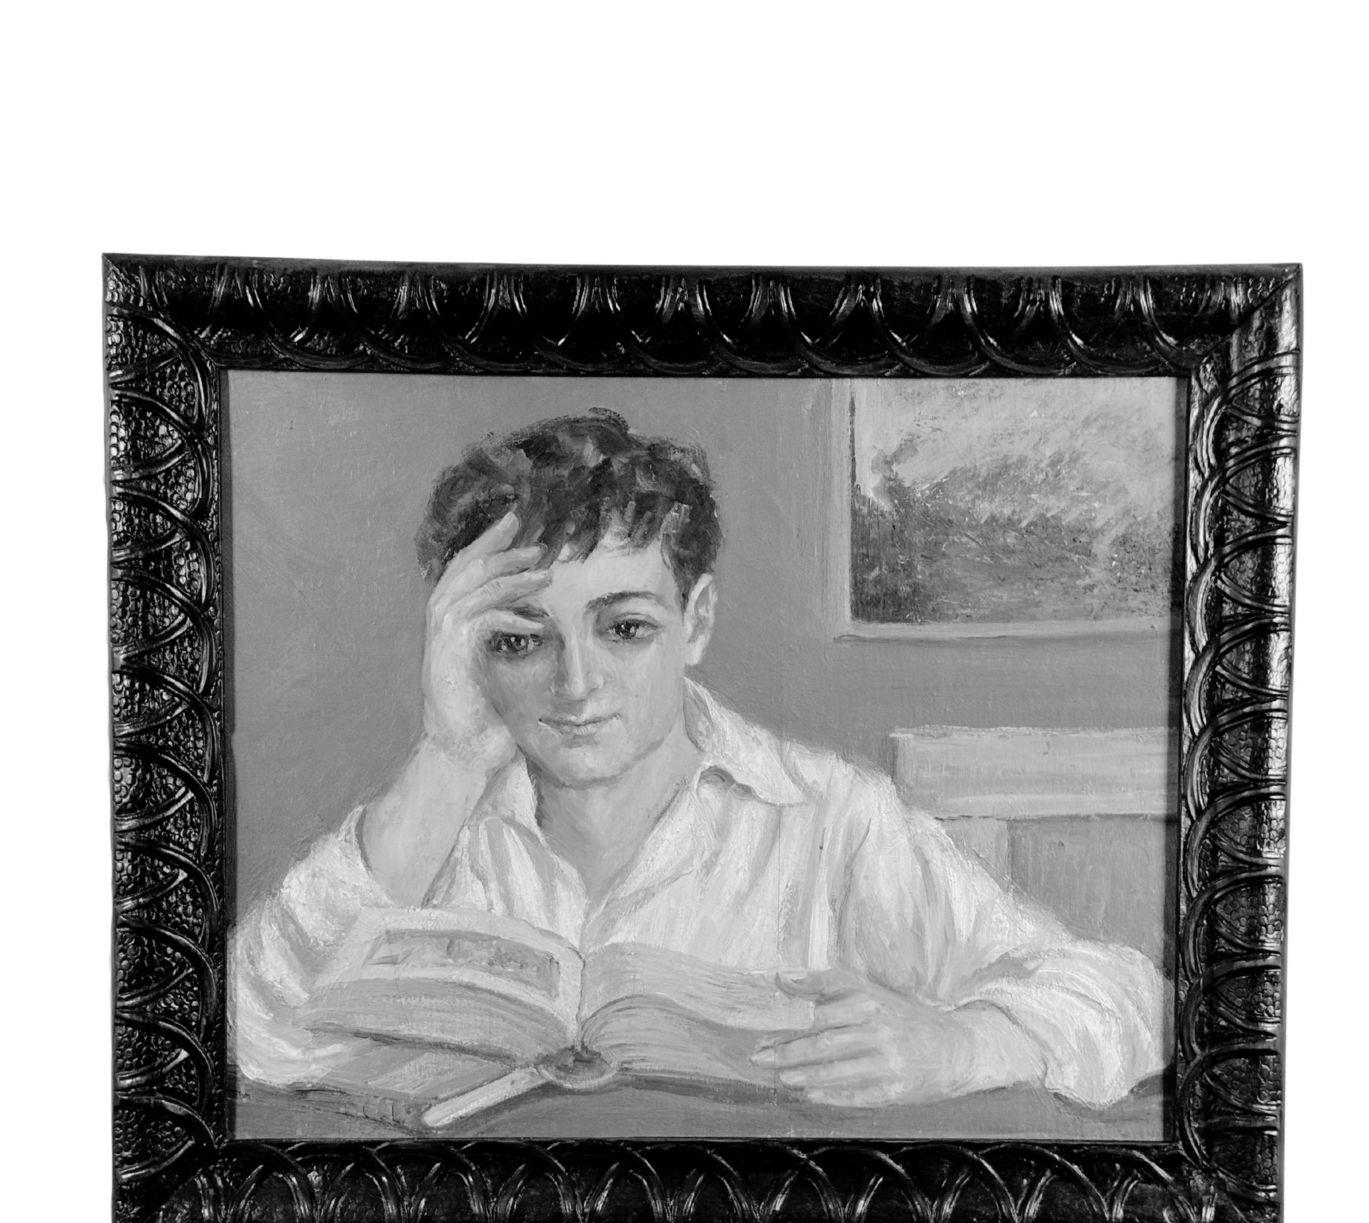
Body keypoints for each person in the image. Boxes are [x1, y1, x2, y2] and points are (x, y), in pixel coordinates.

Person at [231, 410, 1165, 1111]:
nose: (575, 685)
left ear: (697, 621)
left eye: (625, 628)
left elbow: (1128, 999)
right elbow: (249, 1031)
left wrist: (957, 1046)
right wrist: (448, 757)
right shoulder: (438, 816)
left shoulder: (826, 818)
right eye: (519, 640)